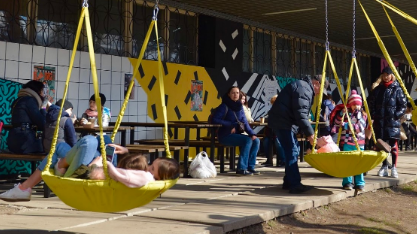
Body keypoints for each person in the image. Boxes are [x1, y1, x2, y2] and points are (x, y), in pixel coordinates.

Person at [0, 135, 180, 201]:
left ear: (158, 179)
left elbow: (116, 174)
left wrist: (102, 160)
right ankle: (25, 188)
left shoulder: (144, 180)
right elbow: (129, 169)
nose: (147, 168)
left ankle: (57, 169)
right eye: (151, 165)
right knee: (60, 148)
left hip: (82, 176)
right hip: (90, 169)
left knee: (89, 141)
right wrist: (125, 152)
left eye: (152, 169)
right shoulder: (144, 174)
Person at [268, 75, 324, 194]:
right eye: (321, 89)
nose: (320, 93)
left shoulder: (302, 86)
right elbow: (301, 114)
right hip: (283, 122)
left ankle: (289, 182)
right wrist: (310, 135)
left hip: (283, 121)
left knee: (293, 149)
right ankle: (294, 184)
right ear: (317, 84)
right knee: (292, 151)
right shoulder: (304, 88)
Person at [368, 67, 407, 178]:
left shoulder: (397, 89)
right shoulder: (377, 90)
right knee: (383, 146)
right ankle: (384, 166)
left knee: (393, 145)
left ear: (391, 76)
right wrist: (375, 114)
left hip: (392, 122)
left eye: (388, 75)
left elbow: (403, 105)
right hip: (380, 122)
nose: (386, 77)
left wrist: (395, 115)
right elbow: (371, 103)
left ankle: (394, 167)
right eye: (384, 75)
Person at [212, 86, 260, 176]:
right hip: (225, 135)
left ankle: (250, 167)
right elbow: (215, 119)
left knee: (256, 140)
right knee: (247, 140)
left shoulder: (239, 107)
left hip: (236, 135)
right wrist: (230, 124)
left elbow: (245, 122)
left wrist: (252, 134)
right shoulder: (224, 106)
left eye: (237, 93)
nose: (235, 95)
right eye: (233, 93)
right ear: (229, 94)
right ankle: (241, 168)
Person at [331, 90, 370, 191]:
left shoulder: (362, 115)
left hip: (359, 143)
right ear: (350, 105)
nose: (356, 107)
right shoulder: (347, 114)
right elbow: (337, 122)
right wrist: (341, 113)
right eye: (354, 105)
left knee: (358, 163)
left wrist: (346, 125)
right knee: (347, 163)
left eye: (358, 105)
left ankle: (359, 183)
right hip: (347, 142)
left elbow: (359, 127)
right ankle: (347, 182)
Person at [7, 80, 49, 154]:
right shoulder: (30, 101)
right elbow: (42, 124)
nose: (43, 94)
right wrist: (43, 107)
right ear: (38, 91)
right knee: (50, 148)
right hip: (24, 142)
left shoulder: (18, 100)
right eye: (42, 91)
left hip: (13, 141)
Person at [262, 95, 285, 167]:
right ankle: (269, 159)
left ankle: (283, 160)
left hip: (281, 133)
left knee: (278, 141)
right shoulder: (271, 111)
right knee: (266, 141)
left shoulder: (284, 111)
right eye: (273, 103)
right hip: (271, 133)